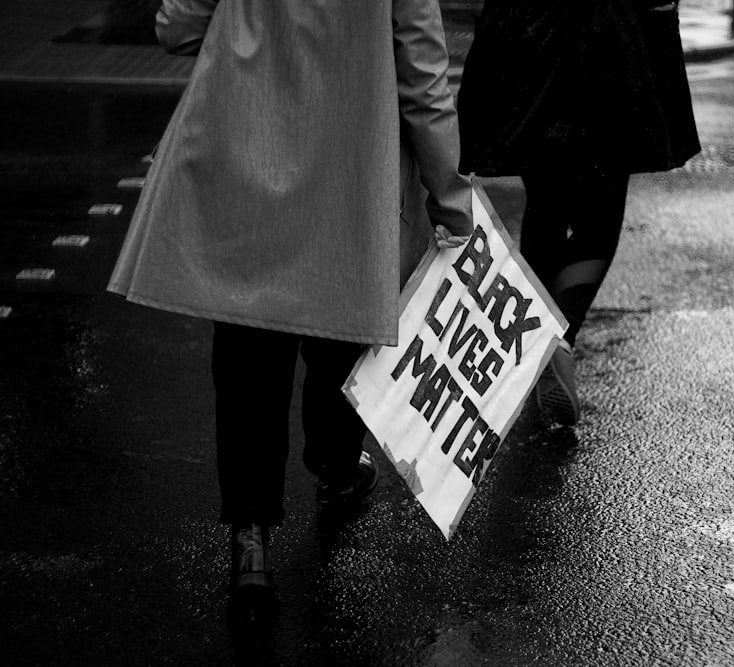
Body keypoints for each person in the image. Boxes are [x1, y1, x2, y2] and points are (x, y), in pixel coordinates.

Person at [108, 0, 473, 604]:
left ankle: (251, 539)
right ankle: (334, 463)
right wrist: (450, 196)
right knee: (344, 328)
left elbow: (176, 27)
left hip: (249, 157)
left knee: (250, 348)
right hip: (350, 171)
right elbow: (423, 79)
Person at [458, 0, 700, 425]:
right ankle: (559, 333)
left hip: (531, 38)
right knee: (598, 224)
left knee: (546, 205)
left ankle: (538, 344)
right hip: (610, 41)